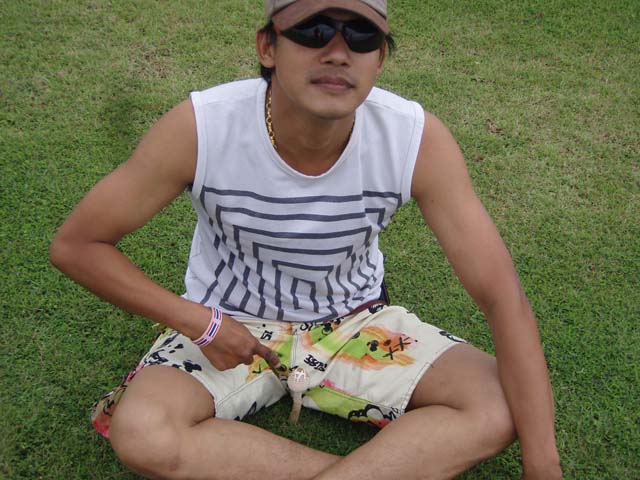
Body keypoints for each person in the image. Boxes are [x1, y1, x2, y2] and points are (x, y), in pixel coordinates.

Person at [50, 1, 562, 478]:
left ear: (380, 58)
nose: (337, 52)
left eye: (361, 35)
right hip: (229, 321)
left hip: (356, 321)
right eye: (314, 30)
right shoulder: (203, 127)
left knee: (501, 405)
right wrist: (200, 322)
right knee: (142, 431)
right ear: (268, 46)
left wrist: (543, 465)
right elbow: (78, 245)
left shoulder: (413, 138)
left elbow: (502, 296)